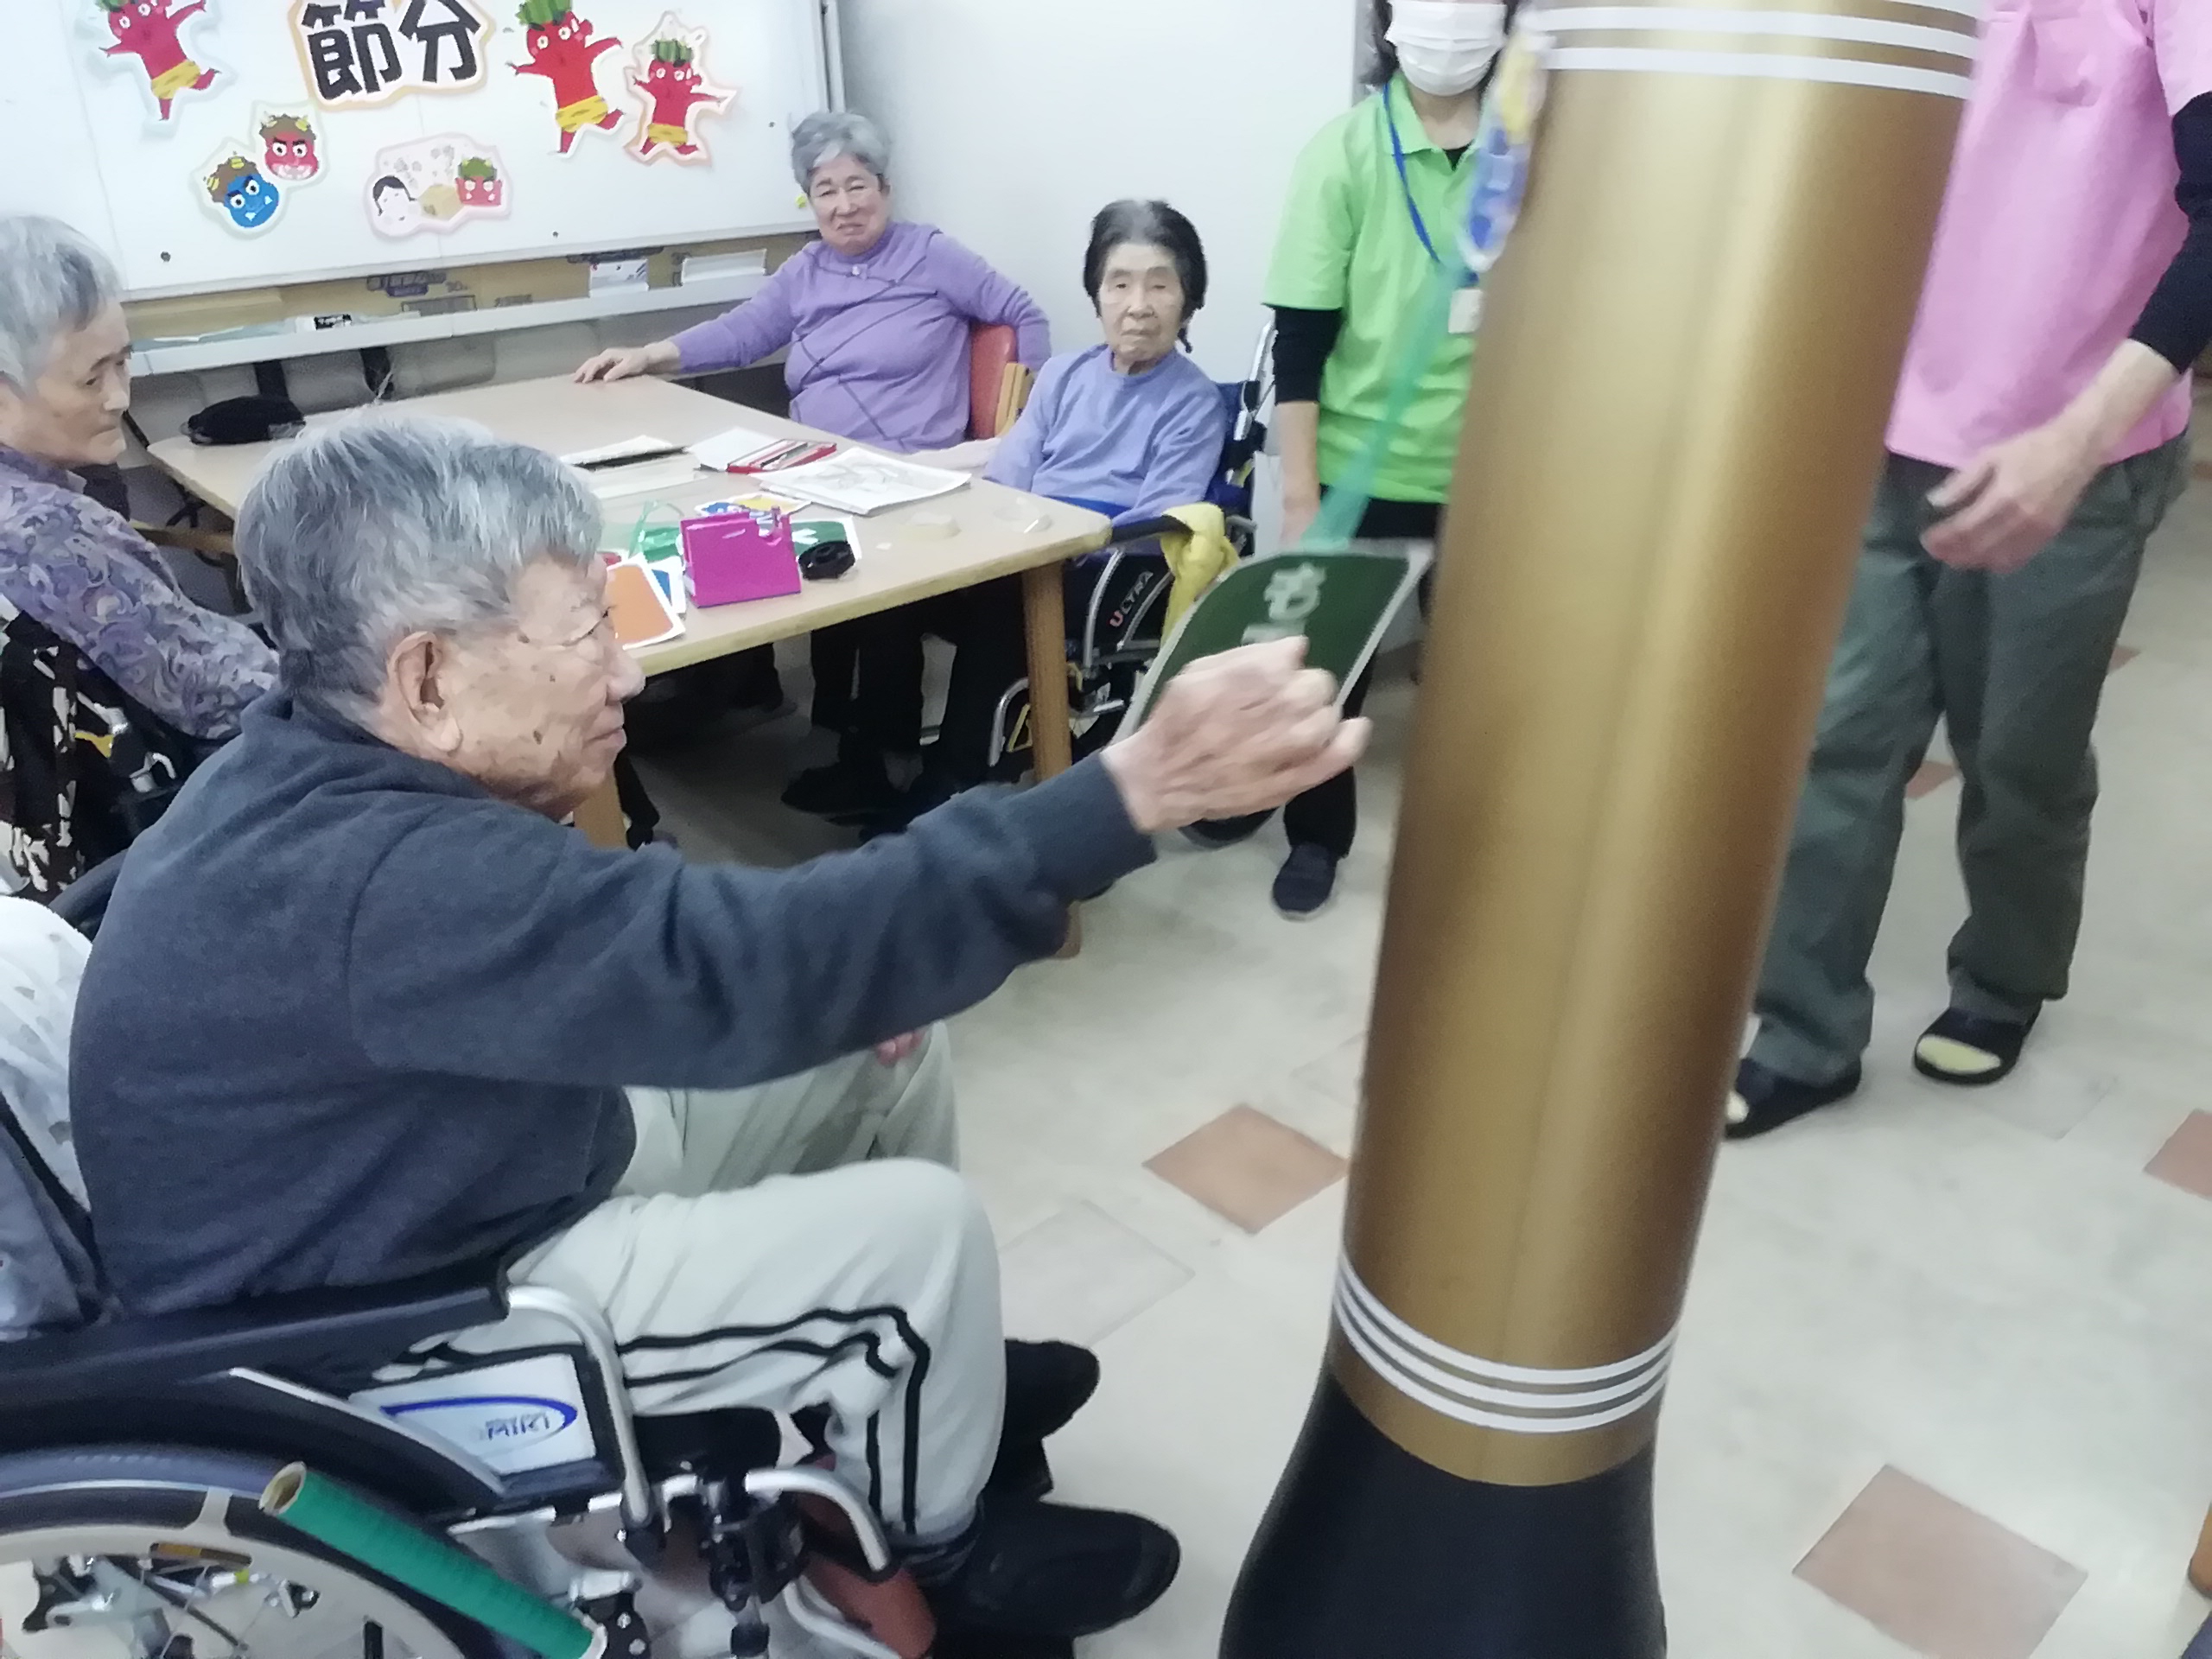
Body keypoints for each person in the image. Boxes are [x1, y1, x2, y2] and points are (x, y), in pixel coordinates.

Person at [69, 413, 1366, 1649]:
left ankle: (922, 1379)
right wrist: (1132, 789)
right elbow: (732, 965)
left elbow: (684, 963)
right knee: (922, 1235)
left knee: (885, 1041)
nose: (629, 669)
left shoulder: (309, 758)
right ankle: (927, 1548)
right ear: (428, 677)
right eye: (590, 629)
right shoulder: (384, 878)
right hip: (385, 1325)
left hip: (418, 1180)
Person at [1727, 7, 2212, 1137]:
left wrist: (2078, 439)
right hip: (1878, 424)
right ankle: (1803, 1030)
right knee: (1836, 736)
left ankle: (2003, 980)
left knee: (2017, 751)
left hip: (2073, 452)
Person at [575, 110, 1051, 748]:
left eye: (858, 186)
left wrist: (1033, 416)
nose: (844, 205)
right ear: (811, 201)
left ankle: (873, 749)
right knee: (712, 524)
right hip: (814, 468)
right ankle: (744, 693)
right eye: (826, 190)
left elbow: (1024, 313)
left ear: (885, 189)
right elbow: (744, 331)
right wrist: (648, 354)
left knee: (836, 572)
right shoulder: (807, 269)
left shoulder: (930, 255)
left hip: (904, 472)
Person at [1195, 0, 1502, 918]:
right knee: (1327, 668)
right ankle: (1316, 834)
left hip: (1489, 473)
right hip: (1356, 464)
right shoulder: (1345, 151)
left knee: (1483, 681)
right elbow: (1300, 342)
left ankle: (1476, 851)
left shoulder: (1528, 154)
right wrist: (1300, 496)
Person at [795, 199, 1231, 824]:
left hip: (1102, 569)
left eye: (1160, 285)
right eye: (1119, 284)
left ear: (1188, 302)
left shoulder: (1193, 401)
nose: (1138, 304)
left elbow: (1163, 523)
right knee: (890, 587)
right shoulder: (1063, 375)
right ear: (1097, 293)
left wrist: (1056, 542)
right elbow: (1009, 475)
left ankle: (954, 784)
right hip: (1025, 543)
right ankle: (880, 763)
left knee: (1004, 605)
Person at [0, 214, 274, 899]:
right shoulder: (51, 536)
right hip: (144, 842)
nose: (119, 398)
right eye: (92, 379)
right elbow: (226, 697)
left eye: (123, 362)